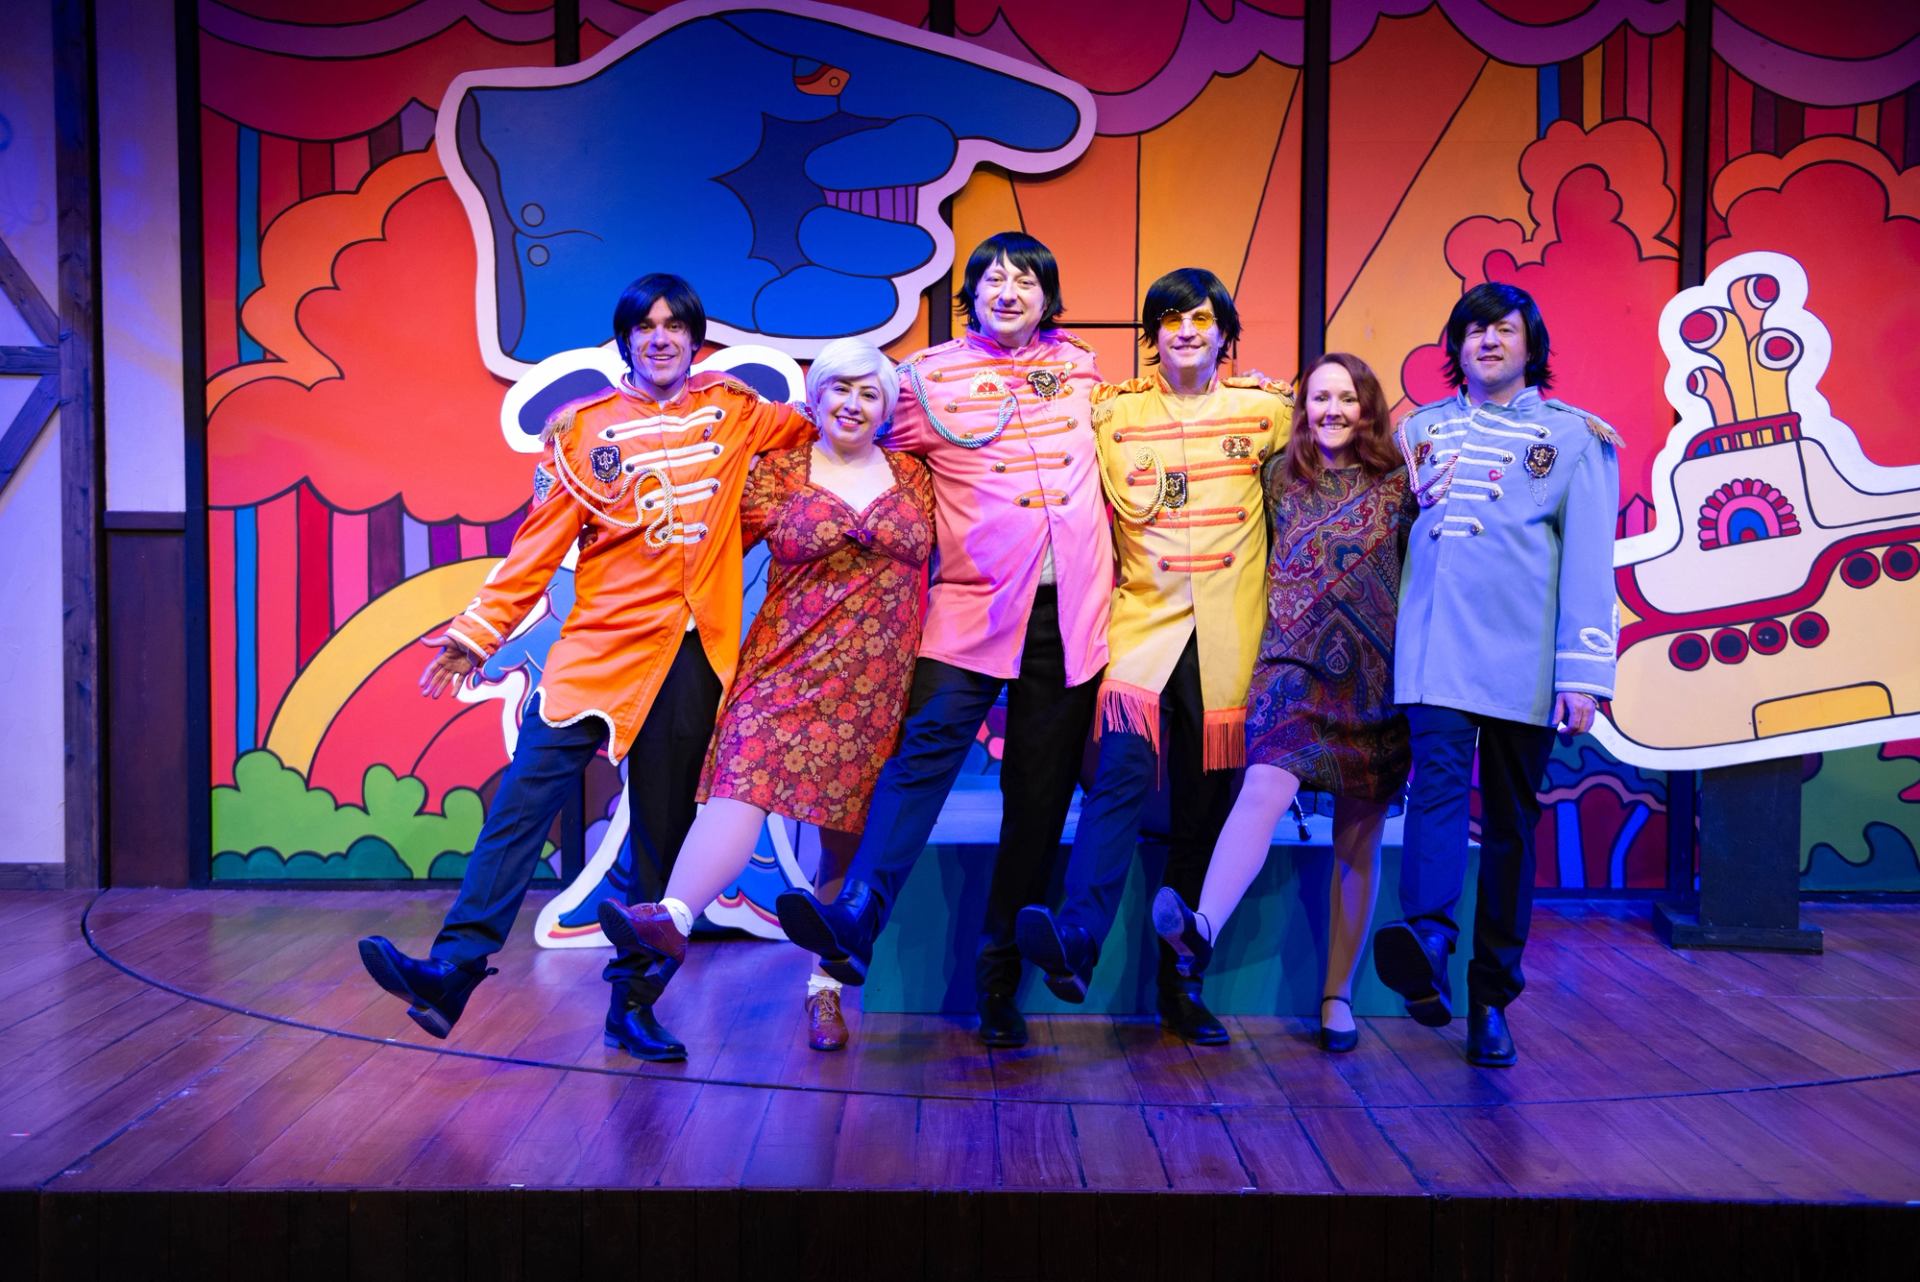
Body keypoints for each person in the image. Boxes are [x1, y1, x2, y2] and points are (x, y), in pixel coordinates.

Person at [356, 274, 811, 1062]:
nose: (660, 337)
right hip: (597, 650)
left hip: (690, 655)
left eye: (675, 325)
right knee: (520, 810)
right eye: (646, 326)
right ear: (627, 339)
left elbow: (830, 426)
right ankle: (453, 970)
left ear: (695, 339)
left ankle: (632, 1006)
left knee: (662, 844)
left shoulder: (739, 412)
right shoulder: (582, 431)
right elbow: (535, 548)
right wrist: (476, 633)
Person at [774, 231, 1115, 1048]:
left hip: (1069, 618)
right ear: (971, 293)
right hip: (968, 610)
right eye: (992, 278)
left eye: (1026, 280)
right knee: (920, 758)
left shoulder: (1083, 373)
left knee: (1037, 799)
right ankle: (860, 912)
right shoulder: (924, 379)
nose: (1009, 291)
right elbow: (857, 447)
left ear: (1048, 296)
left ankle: (1002, 984)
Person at [596, 339, 935, 1053]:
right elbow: (698, 551)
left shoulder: (915, 476)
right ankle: (673, 920)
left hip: (877, 686)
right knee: (737, 792)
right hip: (781, 670)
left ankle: (825, 992)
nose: (853, 403)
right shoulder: (777, 473)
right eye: (840, 389)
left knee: (848, 840)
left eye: (869, 393)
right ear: (816, 399)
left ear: (887, 408)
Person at [1011, 268, 1292, 1044]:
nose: (1186, 332)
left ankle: (1183, 984)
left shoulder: (1268, 412)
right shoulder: (1114, 415)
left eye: (1201, 319)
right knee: (1118, 784)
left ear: (1225, 333)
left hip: (1230, 645)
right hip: (1142, 637)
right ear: (1152, 335)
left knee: (1204, 815)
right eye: (1169, 319)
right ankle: (1077, 939)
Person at [1370, 281, 1619, 1067]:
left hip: (1525, 660)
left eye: (1503, 330)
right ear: (1457, 346)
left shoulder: (1574, 438)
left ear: (1529, 343)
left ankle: (1492, 999)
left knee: (1511, 825)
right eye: (1473, 330)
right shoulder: (1419, 431)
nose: (1487, 341)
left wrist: (1581, 674)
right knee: (1436, 793)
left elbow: (1586, 562)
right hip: (1437, 651)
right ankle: (1431, 944)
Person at [1153, 352, 1414, 1053]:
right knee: (1264, 786)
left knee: (1358, 836)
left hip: (1374, 678)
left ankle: (1337, 996)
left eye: (1347, 398)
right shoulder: (1276, 476)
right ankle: (1203, 928)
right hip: (1290, 667)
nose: (1332, 409)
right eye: (1320, 397)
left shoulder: (1402, 482)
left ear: (1368, 407)